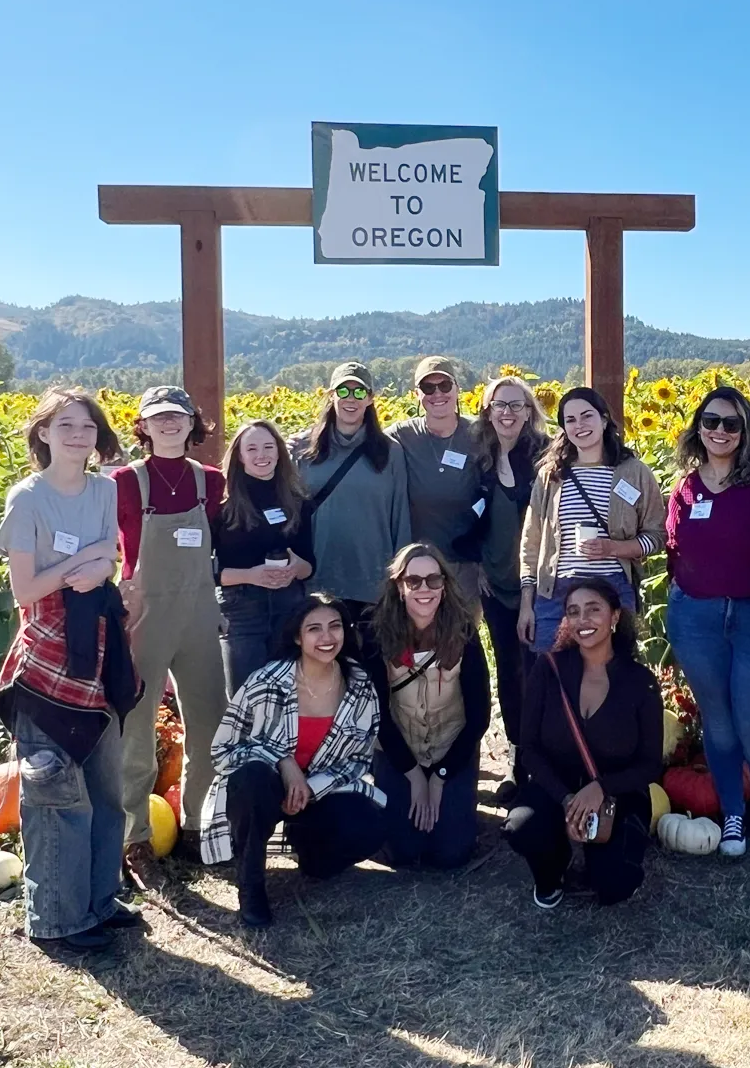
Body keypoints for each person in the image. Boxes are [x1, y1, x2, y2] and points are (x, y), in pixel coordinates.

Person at [0, 387, 143, 953]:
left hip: (101, 646)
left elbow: (112, 555)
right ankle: (56, 917)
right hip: (50, 650)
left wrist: (94, 563)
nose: (77, 436)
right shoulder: (27, 498)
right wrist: (80, 567)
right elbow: (26, 590)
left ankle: (101, 899)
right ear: (44, 435)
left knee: (105, 786)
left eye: (86, 427)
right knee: (56, 788)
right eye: (65, 427)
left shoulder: (104, 488)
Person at [665, 385, 750, 854]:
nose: (720, 431)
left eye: (731, 423)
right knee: (718, 723)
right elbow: (673, 550)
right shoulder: (686, 486)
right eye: (711, 422)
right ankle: (733, 814)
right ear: (697, 428)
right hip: (695, 617)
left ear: (746, 430)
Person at [200, 593, 388, 928]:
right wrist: (284, 763)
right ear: (298, 637)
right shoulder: (266, 681)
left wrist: (309, 789)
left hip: (321, 792)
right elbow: (224, 750)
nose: (327, 637)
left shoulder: (360, 686)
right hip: (265, 790)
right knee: (251, 778)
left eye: (335, 626)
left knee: (370, 825)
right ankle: (251, 882)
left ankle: (312, 854)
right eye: (314, 629)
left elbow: (359, 760)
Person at [111, 386, 226, 876]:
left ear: (191, 423)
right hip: (146, 614)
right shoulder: (123, 482)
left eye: (177, 416)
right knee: (136, 726)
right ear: (143, 426)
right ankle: (135, 836)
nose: (168, 424)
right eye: (158, 418)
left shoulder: (212, 482)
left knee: (210, 721)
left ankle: (198, 823)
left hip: (200, 610)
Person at [505, 577, 663, 908]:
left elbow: (649, 765)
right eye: (574, 612)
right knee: (523, 827)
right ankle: (552, 868)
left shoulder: (640, 682)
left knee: (614, 885)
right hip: (556, 787)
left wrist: (601, 787)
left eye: (594, 610)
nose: (583, 620)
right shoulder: (548, 670)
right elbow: (529, 748)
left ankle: (598, 858)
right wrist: (565, 799)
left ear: (615, 616)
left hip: (618, 794)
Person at [453, 375, 548, 805]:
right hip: (497, 586)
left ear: (529, 412)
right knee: (509, 671)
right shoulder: (482, 460)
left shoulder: (548, 458)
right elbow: (475, 520)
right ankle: (517, 756)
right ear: (487, 413)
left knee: (539, 671)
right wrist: (478, 563)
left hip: (541, 587)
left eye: (515, 405)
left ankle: (544, 760)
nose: (507, 413)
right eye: (498, 406)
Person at [365, 543, 490, 869]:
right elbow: (377, 716)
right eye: (414, 580)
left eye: (433, 580)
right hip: (398, 750)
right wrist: (415, 777)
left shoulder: (464, 632)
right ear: (399, 586)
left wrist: (439, 776)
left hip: (451, 747)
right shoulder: (375, 634)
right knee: (403, 853)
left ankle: (456, 813)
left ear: (445, 586)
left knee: (451, 854)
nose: (424, 589)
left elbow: (479, 717)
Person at [519, 387, 666, 654]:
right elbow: (532, 542)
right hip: (556, 591)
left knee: (614, 676)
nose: (580, 425)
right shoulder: (551, 476)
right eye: (570, 420)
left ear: (605, 420)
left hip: (612, 586)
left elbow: (656, 536)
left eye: (587, 416)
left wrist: (613, 548)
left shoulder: (634, 472)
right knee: (553, 677)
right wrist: (527, 603)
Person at [295, 362, 412, 628]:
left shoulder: (389, 452)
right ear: (330, 395)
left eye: (359, 393)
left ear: (370, 399)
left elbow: (400, 517)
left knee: (369, 665)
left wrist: (401, 579)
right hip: (318, 579)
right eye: (343, 391)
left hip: (372, 583)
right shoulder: (304, 448)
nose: (351, 399)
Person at [215, 421, 315, 694]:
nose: (262, 455)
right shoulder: (221, 503)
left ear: (280, 452)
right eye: (252, 448)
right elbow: (207, 570)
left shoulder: (297, 501)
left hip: (288, 607)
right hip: (241, 611)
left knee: (288, 697)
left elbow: (310, 565)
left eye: (269, 447)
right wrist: (250, 575)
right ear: (239, 455)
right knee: (246, 699)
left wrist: (295, 568)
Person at [385, 356, 484, 605]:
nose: (437, 393)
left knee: (463, 636)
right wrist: (304, 438)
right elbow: (359, 438)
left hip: (467, 563)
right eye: (428, 388)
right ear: (417, 394)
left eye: (445, 385)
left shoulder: (480, 434)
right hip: (418, 568)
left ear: (457, 389)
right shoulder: (403, 434)